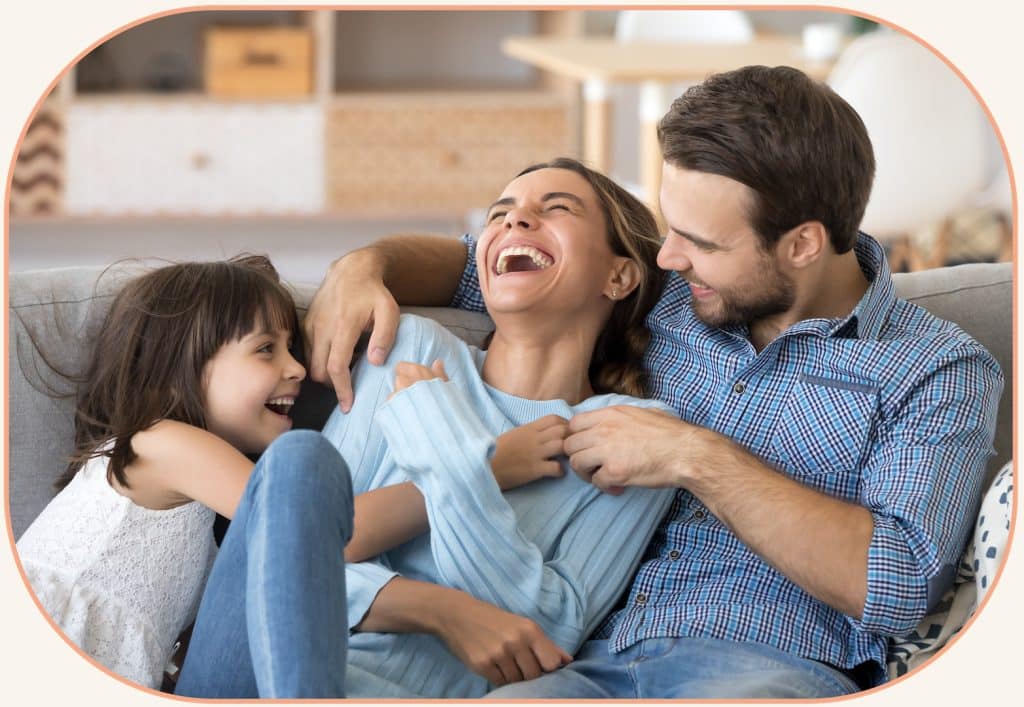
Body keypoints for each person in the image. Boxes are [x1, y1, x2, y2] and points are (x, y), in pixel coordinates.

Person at [302, 66, 1004, 698]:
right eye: (669, 228)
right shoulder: (668, 291)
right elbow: (483, 264)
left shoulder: (936, 368)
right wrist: (363, 266)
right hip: (589, 662)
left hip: (765, 664)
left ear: (802, 245)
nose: (668, 255)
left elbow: (897, 582)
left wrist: (694, 455)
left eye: (698, 242)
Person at [173, 157, 678, 698]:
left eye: (556, 209)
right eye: (500, 214)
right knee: (298, 461)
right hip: (247, 673)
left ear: (619, 275)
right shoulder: (412, 348)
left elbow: (544, 632)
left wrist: (449, 455)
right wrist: (445, 611)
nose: (514, 222)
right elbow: (301, 552)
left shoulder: (631, 436)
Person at [15, 255, 324, 690]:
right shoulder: (163, 444)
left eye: (291, 349)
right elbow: (316, 531)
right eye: (266, 349)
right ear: (178, 372)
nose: (297, 369)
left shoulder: (187, 491)